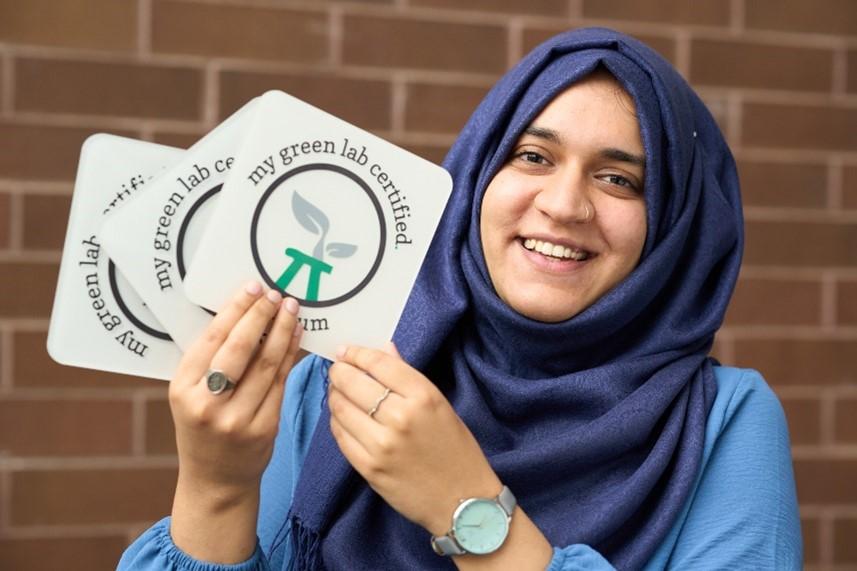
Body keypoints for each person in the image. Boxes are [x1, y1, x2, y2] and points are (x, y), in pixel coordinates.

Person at [118, 27, 802, 570]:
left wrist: (464, 506)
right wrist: (216, 486)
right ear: (476, 176)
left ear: (675, 225)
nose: (563, 204)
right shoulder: (349, 373)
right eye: (532, 157)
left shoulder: (722, 422)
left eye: (619, 179)